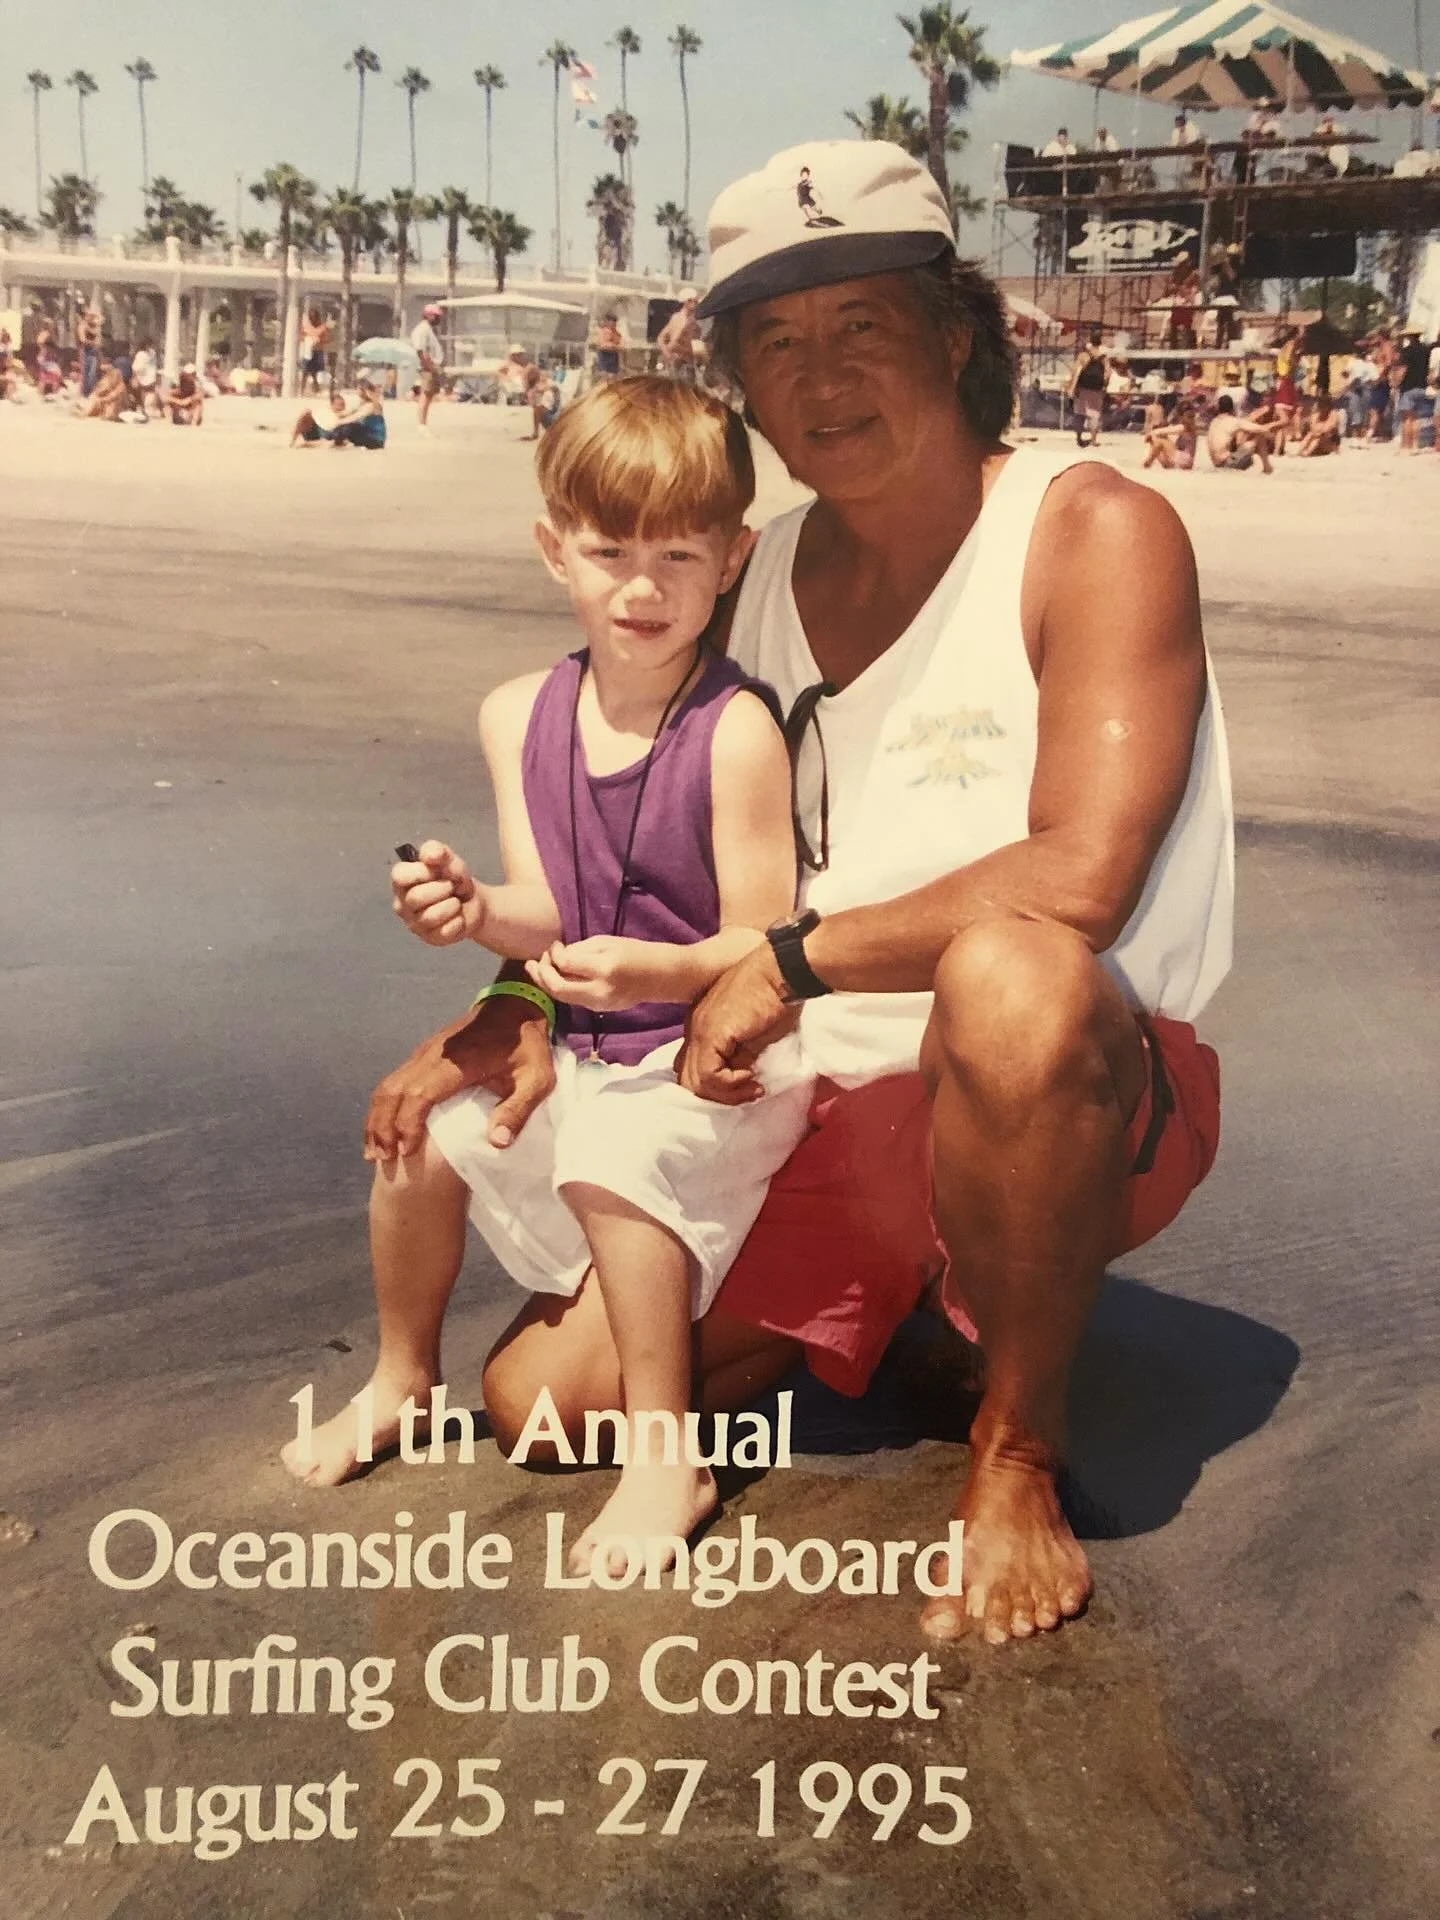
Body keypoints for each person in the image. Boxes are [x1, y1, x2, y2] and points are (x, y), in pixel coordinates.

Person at [364, 140, 1232, 1647]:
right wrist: (516, 1000)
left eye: (862, 323)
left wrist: (787, 960)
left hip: (1061, 1076)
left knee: (1011, 973)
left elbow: (1081, 878)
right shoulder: (744, 577)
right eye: (775, 339)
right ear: (742, 387)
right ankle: (928, 1302)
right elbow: (628, 855)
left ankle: (1017, 1446)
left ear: (956, 333)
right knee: (541, 1407)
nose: (821, 375)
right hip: (806, 1094)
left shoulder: (1093, 530)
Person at [285, 378, 813, 1576]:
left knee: (612, 1155)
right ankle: (402, 1376)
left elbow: (763, 940)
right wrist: (475, 912)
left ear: (732, 558)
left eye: (679, 555)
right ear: (552, 549)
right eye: (609, 550)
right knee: (422, 1132)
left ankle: (666, 1455)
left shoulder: (735, 730)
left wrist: (660, 970)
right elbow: (547, 910)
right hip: (589, 1047)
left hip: (712, 1064)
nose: (642, 587)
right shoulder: (518, 713)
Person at [290, 378, 387, 449]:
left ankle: (323, 443)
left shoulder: (372, 406)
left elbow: (355, 417)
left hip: (375, 440)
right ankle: (294, 441)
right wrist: (322, 415)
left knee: (351, 426)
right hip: (364, 437)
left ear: (364, 390)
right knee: (307, 414)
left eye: (359, 389)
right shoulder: (361, 404)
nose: (357, 391)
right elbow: (345, 413)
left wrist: (337, 423)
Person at [1204, 394, 1272, 472]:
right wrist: (1277, 425)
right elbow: (1263, 429)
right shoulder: (1234, 421)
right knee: (1259, 436)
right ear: (1232, 408)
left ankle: (1266, 468)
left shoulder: (1214, 421)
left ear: (1218, 408)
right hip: (1227, 463)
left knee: (1242, 434)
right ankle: (1267, 468)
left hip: (1216, 463)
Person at [1067, 328, 1108, 447]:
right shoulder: (1103, 357)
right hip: (1096, 389)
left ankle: (1079, 437)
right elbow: (1107, 373)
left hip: (1083, 389)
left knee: (1080, 413)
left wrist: (1072, 387)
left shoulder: (1083, 356)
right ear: (1100, 341)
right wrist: (1104, 386)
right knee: (1094, 414)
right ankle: (1093, 440)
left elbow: (1076, 372)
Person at [1395, 330, 1434, 452]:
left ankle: (1407, 446)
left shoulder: (1406, 351)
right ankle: (1415, 445)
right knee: (1417, 418)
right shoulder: (1426, 350)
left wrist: (1396, 383)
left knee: (1407, 418)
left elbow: (1403, 369)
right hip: (1422, 386)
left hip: (1408, 387)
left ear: (1408, 337)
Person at [410, 302, 446, 428]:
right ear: (429, 315)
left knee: (429, 395)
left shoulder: (428, 329)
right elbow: (421, 351)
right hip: (426, 367)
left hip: (431, 366)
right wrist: (430, 367)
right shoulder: (422, 329)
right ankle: (421, 424)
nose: (438, 319)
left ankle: (423, 422)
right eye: (436, 316)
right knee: (425, 395)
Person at [1142, 398, 1199, 469]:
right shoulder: (1190, 427)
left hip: (1184, 461)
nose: (1191, 419)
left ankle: (1147, 464)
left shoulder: (1186, 427)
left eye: (1192, 416)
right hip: (1186, 462)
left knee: (1159, 441)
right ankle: (1152, 463)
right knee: (1156, 440)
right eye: (1190, 416)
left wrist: (1150, 434)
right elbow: (1167, 431)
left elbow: (1159, 431)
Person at [656, 294, 700, 381]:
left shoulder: (695, 321)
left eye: (695, 301)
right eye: (691, 300)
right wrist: (667, 353)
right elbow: (662, 338)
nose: (695, 303)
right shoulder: (677, 318)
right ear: (685, 301)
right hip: (677, 363)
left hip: (687, 363)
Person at [521, 362, 563, 439]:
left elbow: (555, 388)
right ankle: (536, 433)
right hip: (548, 420)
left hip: (555, 418)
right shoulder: (532, 389)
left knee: (537, 409)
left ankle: (535, 433)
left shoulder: (545, 384)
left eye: (531, 373)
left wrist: (545, 389)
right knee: (537, 409)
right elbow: (534, 405)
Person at [299, 308, 331, 396]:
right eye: (311, 318)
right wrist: (307, 339)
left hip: (317, 351)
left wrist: (320, 340)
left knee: (315, 372)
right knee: (305, 371)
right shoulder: (306, 327)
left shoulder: (322, 327)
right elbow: (301, 337)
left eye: (314, 318)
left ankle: (316, 390)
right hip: (307, 351)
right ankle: (301, 391)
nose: (312, 320)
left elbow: (328, 338)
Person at [77, 306, 102, 399]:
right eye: (88, 315)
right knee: (85, 372)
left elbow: (100, 318)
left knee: (92, 373)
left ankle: (89, 392)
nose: (90, 317)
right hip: (86, 351)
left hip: (93, 352)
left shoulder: (91, 325)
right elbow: (82, 339)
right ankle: (85, 393)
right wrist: (93, 343)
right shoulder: (82, 326)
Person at [591, 311, 624, 381]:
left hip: (614, 360)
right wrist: (613, 346)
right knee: (604, 379)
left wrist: (613, 346)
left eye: (614, 322)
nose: (613, 323)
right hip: (604, 358)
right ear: (607, 322)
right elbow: (602, 345)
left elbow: (621, 347)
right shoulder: (601, 332)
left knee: (613, 380)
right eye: (611, 321)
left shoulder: (617, 334)